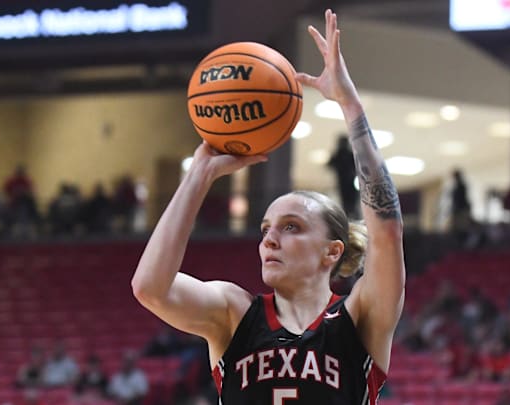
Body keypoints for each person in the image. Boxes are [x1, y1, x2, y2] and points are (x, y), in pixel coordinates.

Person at [131, 10, 405, 405]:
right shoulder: (233, 312)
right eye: (265, 229)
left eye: (291, 226)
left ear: (332, 250)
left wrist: (349, 105)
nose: (270, 239)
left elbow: (387, 231)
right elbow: (149, 288)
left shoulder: (361, 317)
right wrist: (200, 176)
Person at [327, 134, 359, 219]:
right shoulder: (338, 154)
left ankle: (351, 213)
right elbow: (330, 164)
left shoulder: (350, 154)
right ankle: (348, 213)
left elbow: (358, 166)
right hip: (343, 182)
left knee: (351, 201)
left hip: (350, 183)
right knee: (346, 201)